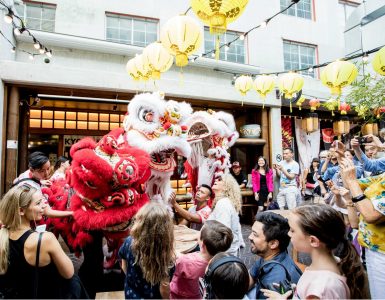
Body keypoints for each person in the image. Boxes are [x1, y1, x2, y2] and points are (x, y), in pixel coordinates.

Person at [261, 204, 369, 299]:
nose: (288, 234)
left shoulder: (322, 288)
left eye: (292, 230)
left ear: (313, 240)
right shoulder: (333, 263)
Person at [0, 185, 75, 298]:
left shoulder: (3, 235)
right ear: (21, 210)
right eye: (38, 203)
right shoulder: (45, 239)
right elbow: (69, 273)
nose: (44, 206)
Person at [339, 153, 385, 299]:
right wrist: (343, 161)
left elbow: (371, 215)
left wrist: (352, 180)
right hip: (372, 251)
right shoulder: (382, 177)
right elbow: (350, 185)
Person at [118, 202, 175, 299]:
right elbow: (164, 289)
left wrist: (132, 280)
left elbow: (123, 264)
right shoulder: (165, 254)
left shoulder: (129, 242)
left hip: (131, 294)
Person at [170, 220, 233, 299]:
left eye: (199, 232)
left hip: (179, 296)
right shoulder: (221, 263)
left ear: (203, 244)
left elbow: (174, 256)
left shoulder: (185, 261)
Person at [248, 212, 302, 300]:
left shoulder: (275, 283)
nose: (249, 237)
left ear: (273, 244)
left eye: (255, 234)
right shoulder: (269, 256)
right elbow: (251, 276)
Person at [13, 151, 73, 219]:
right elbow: (48, 212)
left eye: (48, 168)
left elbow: (14, 181)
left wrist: (41, 181)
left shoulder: (26, 174)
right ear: (32, 170)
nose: (47, 173)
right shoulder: (33, 188)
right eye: (42, 171)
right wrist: (72, 213)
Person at [208, 174, 242, 256]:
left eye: (220, 179)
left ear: (226, 187)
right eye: (216, 179)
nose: (216, 180)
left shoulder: (223, 203)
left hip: (222, 254)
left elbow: (222, 232)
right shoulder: (224, 202)